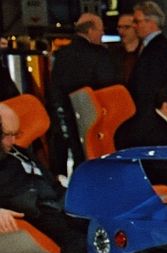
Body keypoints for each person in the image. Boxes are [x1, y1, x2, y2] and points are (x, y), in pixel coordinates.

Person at [0, 104, 94, 253]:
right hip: (29, 210)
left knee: (104, 228)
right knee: (75, 242)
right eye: (7, 135)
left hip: (54, 204)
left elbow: (49, 182)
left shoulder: (20, 152)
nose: (13, 140)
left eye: (16, 134)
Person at [47, 13, 118, 176]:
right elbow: (109, 86)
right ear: (90, 30)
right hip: (95, 118)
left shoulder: (62, 55)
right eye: (100, 30)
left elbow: (55, 89)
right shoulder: (99, 55)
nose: (102, 34)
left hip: (67, 117)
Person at [128, 1, 167, 115]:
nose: (133, 25)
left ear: (151, 22)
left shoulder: (159, 48)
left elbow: (154, 85)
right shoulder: (150, 45)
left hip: (151, 114)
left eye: (137, 21)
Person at [109, 14, 140, 83]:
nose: (121, 31)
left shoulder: (145, 52)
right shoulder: (112, 53)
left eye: (126, 27)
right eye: (119, 27)